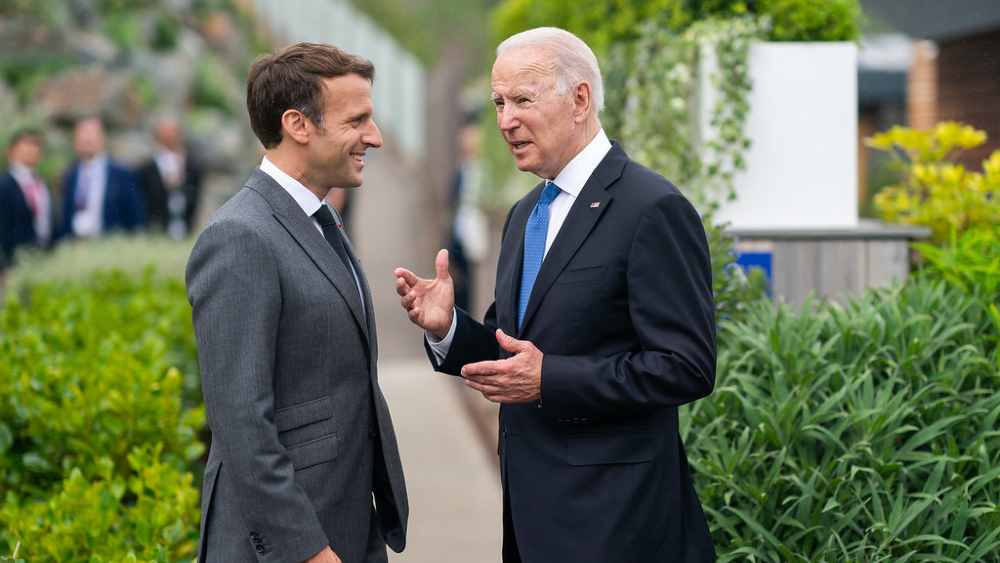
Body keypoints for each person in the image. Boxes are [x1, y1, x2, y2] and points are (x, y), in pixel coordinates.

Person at [395, 27, 717, 563]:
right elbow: (511, 353)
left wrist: (550, 379)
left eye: (523, 100)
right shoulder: (526, 214)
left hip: (618, 526)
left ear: (580, 100)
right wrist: (448, 327)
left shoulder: (652, 208)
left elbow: (687, 367)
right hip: (530, 520)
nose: (505, 120)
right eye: (499, 103)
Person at [186, 42, 407, 563]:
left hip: (346, 521)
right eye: (357, 120)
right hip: (288, 545)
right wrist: (307, 551)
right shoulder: (239, 236)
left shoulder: (320, 220)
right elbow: (241, 423)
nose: (374, 137)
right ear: (298, 125)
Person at [56, 117, 146, 240]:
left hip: (110, 244)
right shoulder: (71, 175)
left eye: (92, 135)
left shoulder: (122, 174)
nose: (87, 139)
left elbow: (136, 218)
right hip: (77, 244)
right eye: (82, 136)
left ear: (103, 138)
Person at [446, 111, 489, 315]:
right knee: (460, 287)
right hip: (460, 234)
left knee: (470, 288)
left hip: (473, 235)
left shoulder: (480, 171)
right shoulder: (463, 169)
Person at [137, 115, 202, 239]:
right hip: (156, 232)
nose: (171, 137)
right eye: (166, 134)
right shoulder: (147, 169)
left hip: (185, 229)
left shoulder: (193, 166)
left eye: (174, 133)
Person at [0, 128, 53, 279]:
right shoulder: (4, 185)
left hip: (42, 259)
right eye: (26, 144)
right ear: (12, 150)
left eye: (36, 145)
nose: (31, 150)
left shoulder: (41, 184)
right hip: (13, 264)